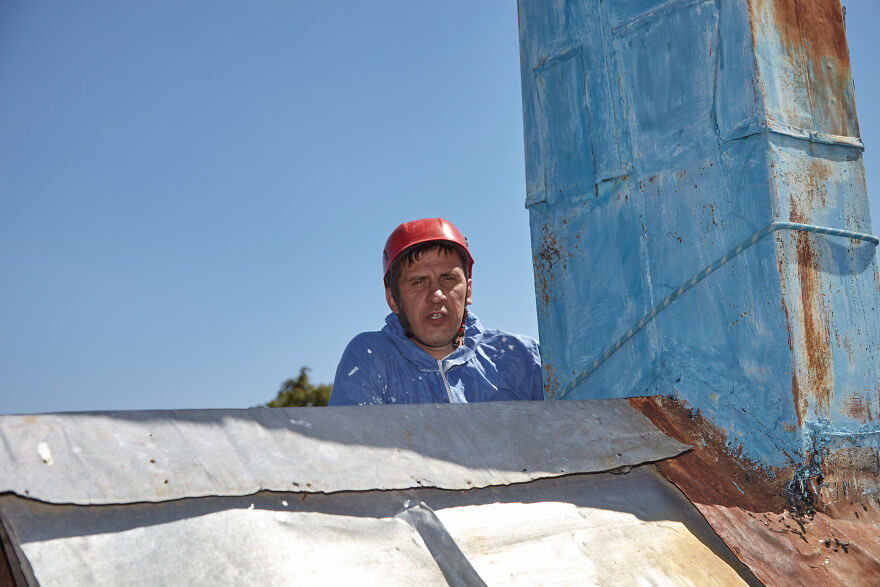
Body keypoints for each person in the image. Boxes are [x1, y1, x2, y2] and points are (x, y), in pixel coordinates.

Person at [329, 217, 544, 405]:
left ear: (468, 290)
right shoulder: (370, 357)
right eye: (419, 282)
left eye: (448, 278)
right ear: (393, 299)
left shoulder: (523, 357)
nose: (436, 295)